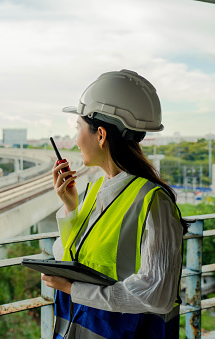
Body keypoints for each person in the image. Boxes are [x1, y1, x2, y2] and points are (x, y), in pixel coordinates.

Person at [41, 69, 189, 339]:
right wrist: (71, 207)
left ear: (100, 135)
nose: (74, 141)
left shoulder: (153, 201)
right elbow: (69, 256)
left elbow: (157, 294)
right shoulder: (96, 190)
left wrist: (73, 290)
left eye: (78, 128)